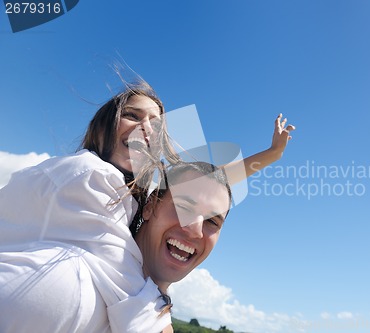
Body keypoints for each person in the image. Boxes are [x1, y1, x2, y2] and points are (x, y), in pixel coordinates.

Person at [0, 79, 295, 332]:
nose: (146, 130)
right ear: (102, 129)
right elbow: (135, 303)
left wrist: (271, 155)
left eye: (156, 126)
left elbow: (208, 185)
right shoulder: (91, 175)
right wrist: (159, 312)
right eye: (132, 115)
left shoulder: (127, 199)